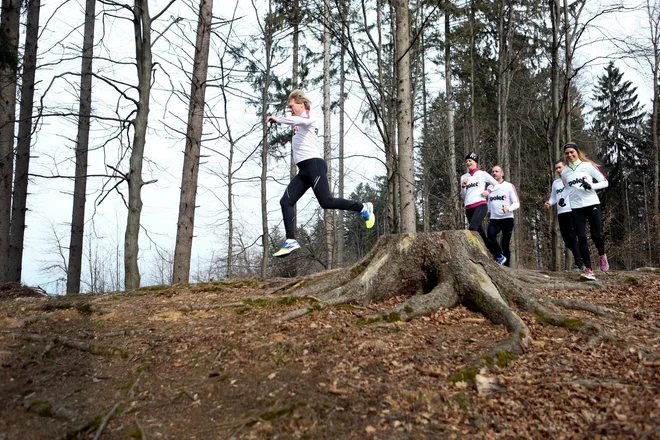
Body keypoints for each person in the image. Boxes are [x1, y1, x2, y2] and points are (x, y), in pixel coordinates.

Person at [265, 90, 375, 257]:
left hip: (314, 166)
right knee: (286, 201)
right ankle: (290, 240)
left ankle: (363, 207)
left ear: (301, 104)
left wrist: (278, 119)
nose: (290, 110)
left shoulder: (310, 118)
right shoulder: (298, 122)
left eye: (291, 106)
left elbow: (296, 120)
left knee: (326, 201)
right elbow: (295, 121)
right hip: (304, 170)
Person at [560, 143, 609, 280]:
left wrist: (591, 186)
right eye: (567, 153)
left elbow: (605, 182)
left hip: (592, 203)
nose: (569, 155)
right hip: (576, 207)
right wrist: (563, 199)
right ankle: (588, 269)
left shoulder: (587, 166)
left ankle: (602, 255)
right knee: (581, 237)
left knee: (596, 235)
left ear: (577, 152)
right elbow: (567, 188)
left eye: (572, 152)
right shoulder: (565, 172)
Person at [460, 152, 507, 265]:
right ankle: (499, 256)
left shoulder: (482, 174)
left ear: (475, 162)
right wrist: (463, 186)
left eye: (470, 161)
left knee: (472, 229)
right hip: (468, 207)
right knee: (480, 235)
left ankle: (475, 255)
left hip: (480, 205)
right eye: (466, 161)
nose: (468, 163)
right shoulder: (463, 177)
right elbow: (462, 195)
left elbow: (496, 184)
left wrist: (488, 191)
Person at [544, 160, 582, 272]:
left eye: (560, 167)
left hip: (572, 210)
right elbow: (553, 197)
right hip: (561, 213)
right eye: (556, 168)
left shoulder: (572, 179)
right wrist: (549, 203)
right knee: (566, 239)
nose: (558, 170)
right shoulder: (556, 183)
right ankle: (581, 257)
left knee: (572, 236)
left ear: (566, 167)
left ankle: (579, 263)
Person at [486, 165, 519, 267]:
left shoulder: (509, 186)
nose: (494, 173)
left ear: (502, 173)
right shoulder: (489, 188)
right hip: (494, 219)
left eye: (496, 171)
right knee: (490, 236)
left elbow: (517, 203)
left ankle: (507, 267)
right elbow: (488, 205)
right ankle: (500, 256)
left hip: (507, 218)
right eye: (493, 172)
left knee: (505, 243)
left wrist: (508, 209)